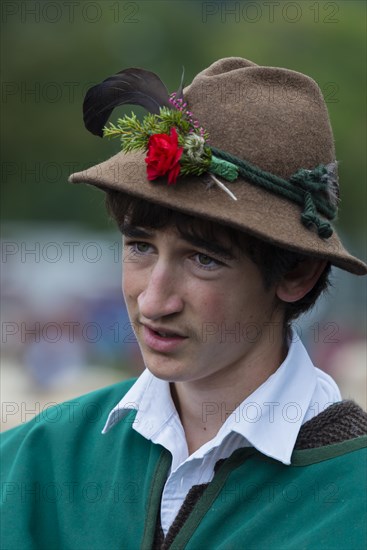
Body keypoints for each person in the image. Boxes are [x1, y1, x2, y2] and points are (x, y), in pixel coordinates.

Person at [1, 57, 366, 549]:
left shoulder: (351, 497)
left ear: (297, 273)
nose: (154, 299)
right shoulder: (36, 458)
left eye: (204, 259)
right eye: (140, 247)